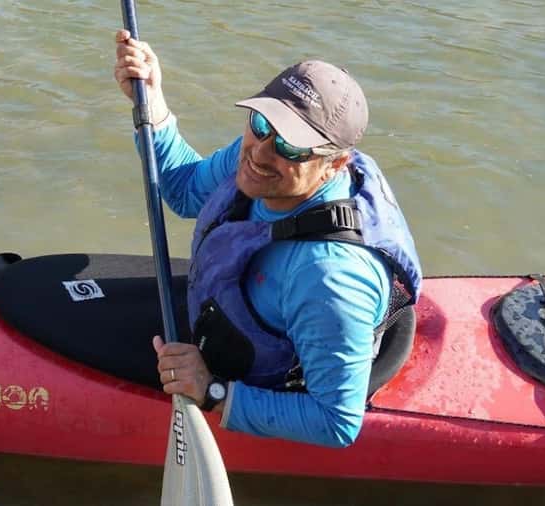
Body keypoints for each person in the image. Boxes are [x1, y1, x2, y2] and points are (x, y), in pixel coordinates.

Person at [113, 30, 422, 448]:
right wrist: (152, 101)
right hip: (242, 317)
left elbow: (337, 423)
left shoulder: (329, 279)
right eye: (261, 124)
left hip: (269, 371)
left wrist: (213, 390)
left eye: (293, 146)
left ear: (335, 165)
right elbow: (185, 189)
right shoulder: (260, 155)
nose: (261, 153)